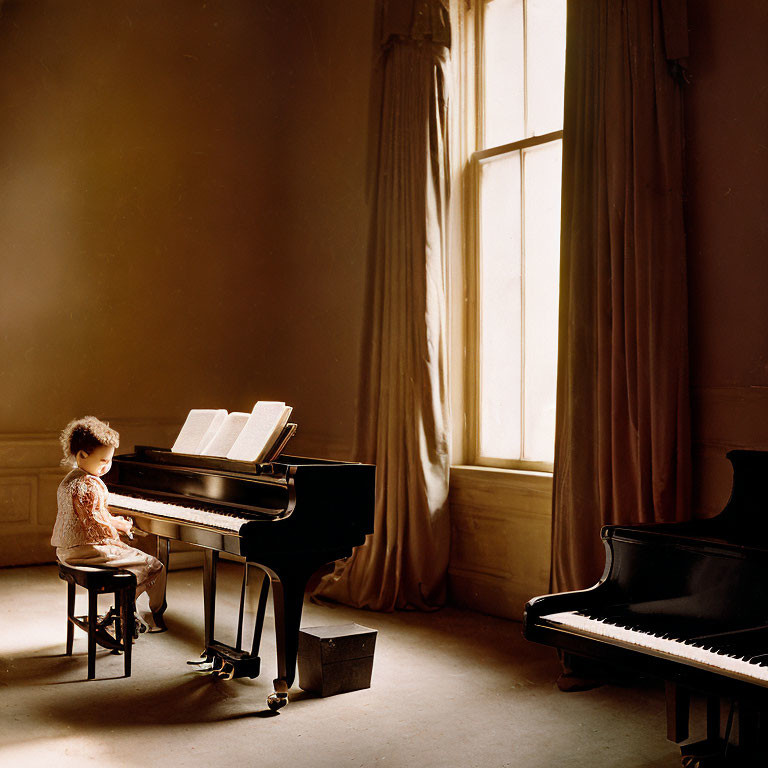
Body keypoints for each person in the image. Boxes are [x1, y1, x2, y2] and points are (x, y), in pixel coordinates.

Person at [51, 416, 167, 632]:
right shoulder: (89, 484)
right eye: (103, 461)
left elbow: (89, 516)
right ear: (82, 455)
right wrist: (119, 528)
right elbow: (95, 524)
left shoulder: (70, 480)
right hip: (87, 551)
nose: (107, 466)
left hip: (67, 551)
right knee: (153, 565)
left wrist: (114, 522)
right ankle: (140, 616)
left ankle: (124, 614)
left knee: (130, 555)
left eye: (110, 461)